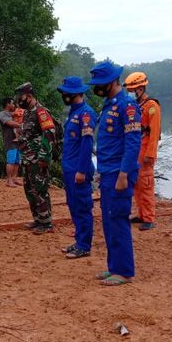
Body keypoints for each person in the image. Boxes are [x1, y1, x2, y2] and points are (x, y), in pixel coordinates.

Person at [87, 61, 141, 285]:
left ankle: (125, 271)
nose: (97, 88)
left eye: (100, 83)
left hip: (119, 173)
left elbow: (133, 142)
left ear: (111, 82)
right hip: (107, 171)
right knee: (109, 221)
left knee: (118, 219)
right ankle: (114, 267)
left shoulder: (127, 105)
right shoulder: (109, 104)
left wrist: (123, 174)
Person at [56, 76, 97, 259]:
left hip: (79, 170)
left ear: (75, 93)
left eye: (66, 92)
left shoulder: (86, 114)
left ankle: (84, 245)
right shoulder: (73, 112)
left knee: (82, 207)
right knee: (73, 205)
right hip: (69, 168)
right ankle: (79, 240)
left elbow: (87, 144)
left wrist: (81, 170)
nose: (63, 95)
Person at [15, 82, 56, 235]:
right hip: (26, 159)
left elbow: (50, 133)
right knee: (29, 190)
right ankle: (38, 219)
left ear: (30, 96)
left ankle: (46, 223)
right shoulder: (26, 113)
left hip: (38, 159)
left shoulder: (41, 112)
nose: (19, 100)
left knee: (40, 190)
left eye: (21, 97)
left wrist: (44, 156)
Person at [125, 72, 161, 231]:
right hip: (135, 150)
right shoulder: (137, 107)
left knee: (146, 185)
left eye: (133, 91)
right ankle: (141, 214)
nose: (131, 94)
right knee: (137, 185)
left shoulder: (151, 106)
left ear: (140, 88)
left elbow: (154, 133)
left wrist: (150, 154)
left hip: (145, 149)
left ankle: (149, 217)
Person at [0, 97, 22, 187]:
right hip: (9, 140)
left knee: (17, 160)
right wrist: (23, 124)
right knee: (11, 160)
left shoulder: (14, 113)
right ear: (7, 104)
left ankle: (14, 178)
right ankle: (9, 180)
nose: (13, 105)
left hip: (18, 139)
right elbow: (11, 123)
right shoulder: (2, 114)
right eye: (12, 103)